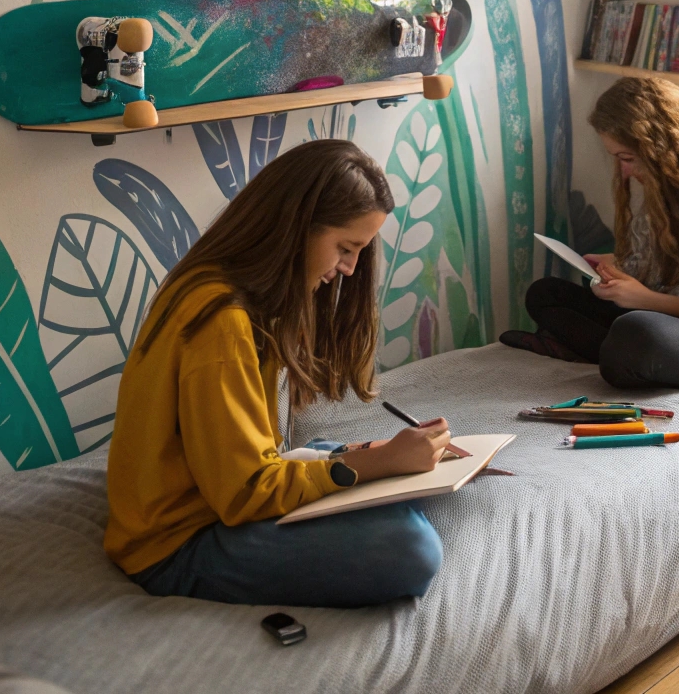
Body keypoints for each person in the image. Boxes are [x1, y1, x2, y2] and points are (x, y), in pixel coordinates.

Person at [105, 139, 448, 608]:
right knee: (413, 549)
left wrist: (382, 454)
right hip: (180, 544)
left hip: (221, 499)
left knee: (380, 473)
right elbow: (246, 494)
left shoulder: (227, 289)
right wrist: (379, 464)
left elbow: (260, 456)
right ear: (296, 226)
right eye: (346, 248)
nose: (348, 268)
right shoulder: (220, 321)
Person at [500, 76, 679, 390]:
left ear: (659, 147)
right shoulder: (671, 185)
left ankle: (601, 351)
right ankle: (609, 351)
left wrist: (645, 299)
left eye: (627, 158)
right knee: (546, 294)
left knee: (636, 330)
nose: (624, 171)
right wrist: (619, 266)